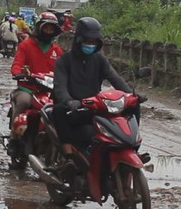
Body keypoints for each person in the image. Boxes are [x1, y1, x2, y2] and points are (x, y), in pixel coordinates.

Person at [52, 17, 141, 161]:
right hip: (74, 107)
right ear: (79, 40)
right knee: (58, 110)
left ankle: (132, 148)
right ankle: (68, 154)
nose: (90, 45)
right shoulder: (65, 60)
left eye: (94, 42)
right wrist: (69, 101)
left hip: (94, 105)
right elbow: (60, 87)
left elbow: (115, 79)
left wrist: (131, 95)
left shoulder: (100, 60)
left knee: (133, 107)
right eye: (87, 41)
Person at [6, 12, 65, 156]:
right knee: (24, 102)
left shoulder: (57, 50)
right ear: (39, 28)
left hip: (49, 91)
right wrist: (18, 73)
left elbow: (64, 69)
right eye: (46, 28)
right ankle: (13, 139)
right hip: (27, 88)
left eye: (52, 29)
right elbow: (17, 64)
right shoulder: (26, 45)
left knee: (63, 108)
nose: (48, 31)